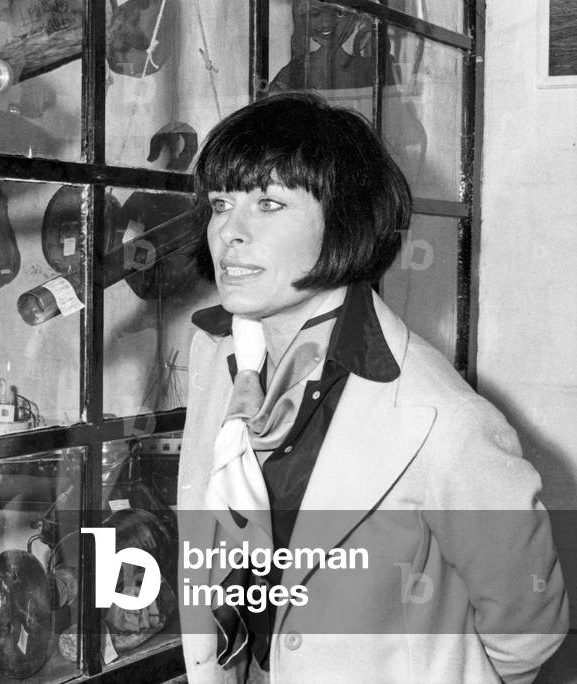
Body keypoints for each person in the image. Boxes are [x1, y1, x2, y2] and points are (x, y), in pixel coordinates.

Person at [177, 92, 568, 683]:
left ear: (344, 222)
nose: (229, 231)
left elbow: (528, 628)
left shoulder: (443, 418)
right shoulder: (215, 354)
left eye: (268, 204)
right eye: (220, 204)